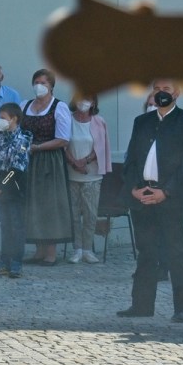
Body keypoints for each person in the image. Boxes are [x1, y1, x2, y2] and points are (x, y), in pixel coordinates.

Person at [118, 79, 183, 322]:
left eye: (166, 89)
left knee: (177, 252)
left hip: (171, 198)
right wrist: (134, 187)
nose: (161, 93)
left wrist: (166, 192)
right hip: (142, 195)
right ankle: (141, 305)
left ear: (177, 92)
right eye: (157, 89)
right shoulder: (142, 121)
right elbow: (131, 158)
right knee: (146, 252)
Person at [20, 69, 73, 266]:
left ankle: (51, 252)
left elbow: (62, 139)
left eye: (43, 82)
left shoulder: (59, 107)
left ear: (51, 85)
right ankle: (38, 250)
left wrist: (38, 147)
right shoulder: (25, 105)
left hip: (50, 160)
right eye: (36, 81)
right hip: (28, 160)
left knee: (49, 204)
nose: (39, 85)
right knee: (32, 203)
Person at [0, 102, 32, 278]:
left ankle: (16, 263)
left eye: (3, 118)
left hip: (15, 191)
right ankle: (3, 261)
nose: (0, 121)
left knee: (17, 227)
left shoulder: (24, 139)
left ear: (14, 119)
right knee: (5, 226)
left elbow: (16, 169)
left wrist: (1, 187)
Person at [64, 93, 109, 264]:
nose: (84, 102)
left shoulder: (99, 121)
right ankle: (77, 249)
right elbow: (62, 144)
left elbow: (102, 147)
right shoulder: (67, 119)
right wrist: (74, 162)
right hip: (71, 174)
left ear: (94, 102)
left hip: (92, 175)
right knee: (74, 213)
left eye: (88, 99)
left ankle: (88, 249)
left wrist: (85, 161)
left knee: (90, 214)